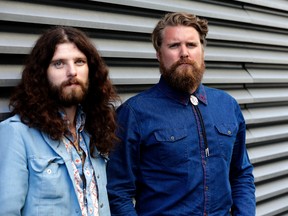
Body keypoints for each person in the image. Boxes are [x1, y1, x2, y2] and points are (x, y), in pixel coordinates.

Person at [107, 12, 256, 215]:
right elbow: (118, 193)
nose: (184, 53)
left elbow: (241, 174)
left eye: (191, 45)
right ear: (158, 54)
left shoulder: (227, 105)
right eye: (174, 45)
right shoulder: (134, 113)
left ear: (202, 51)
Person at [0, 26, 119, 215]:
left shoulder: (95, 129)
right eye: (59, 64)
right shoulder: (16, 133)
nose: (72, 72)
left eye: (80, 62)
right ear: (42, 73)